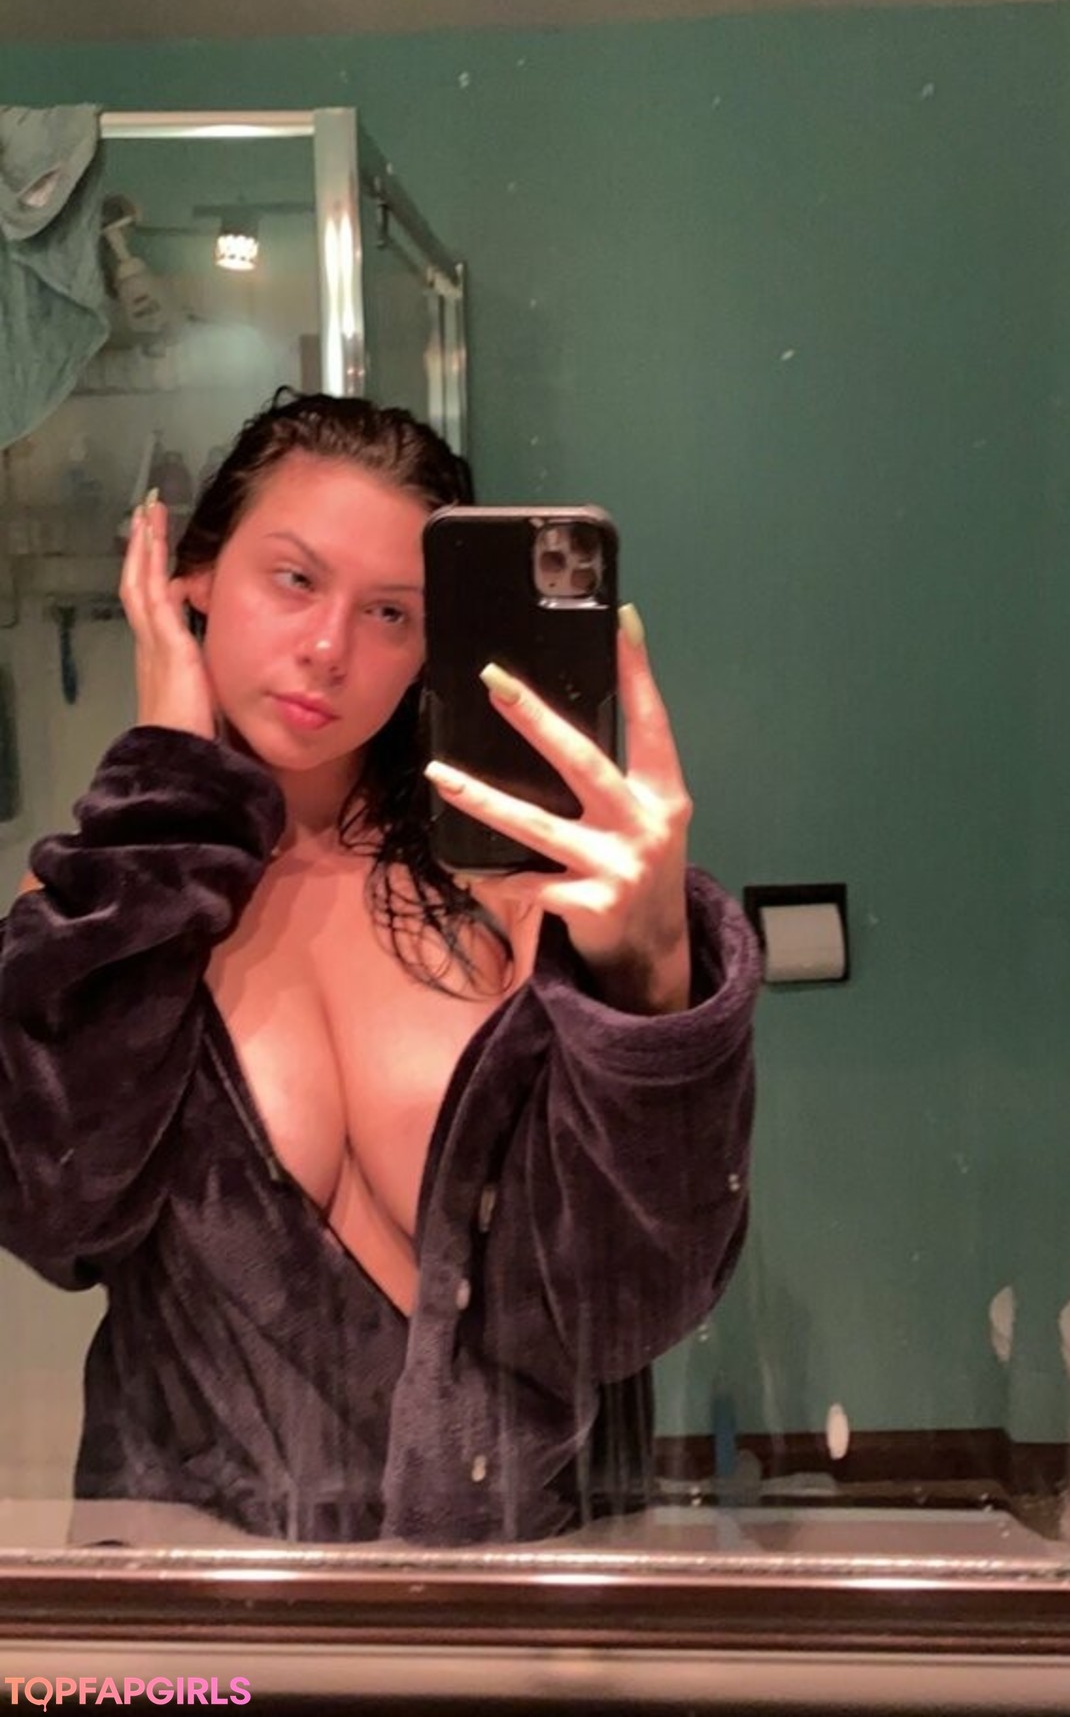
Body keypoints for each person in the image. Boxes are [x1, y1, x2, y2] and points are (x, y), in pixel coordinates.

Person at [0, 388, 759, 1546]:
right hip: (198, 1590)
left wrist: (653, 975)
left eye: (392, 611)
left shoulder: (515, 891)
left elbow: (628, 1306)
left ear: (431, 644)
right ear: (192, 575)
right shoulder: (106, 903)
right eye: (293, 578)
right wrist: (169, 788)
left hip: (514, 1587)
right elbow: (57, 1218)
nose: (328, 648)